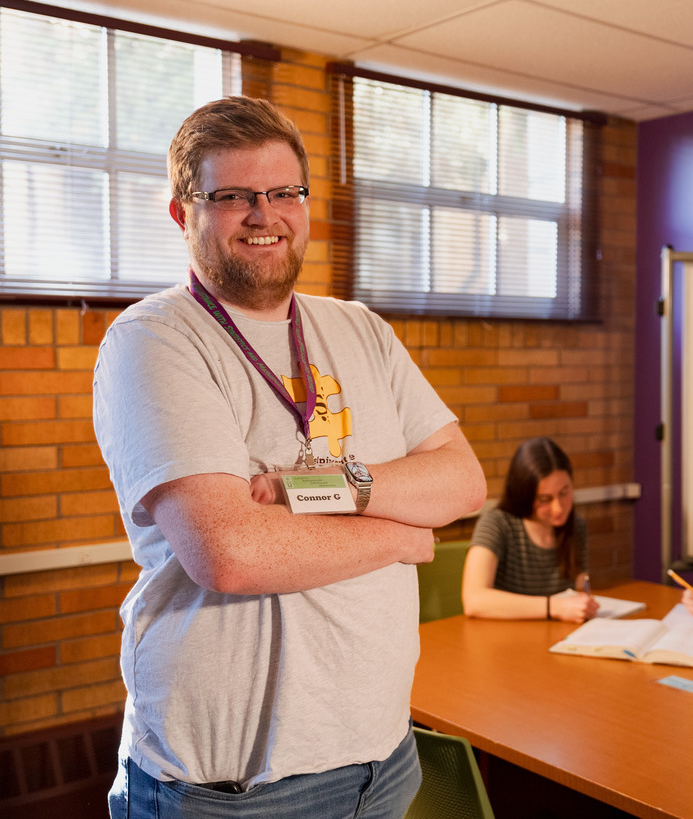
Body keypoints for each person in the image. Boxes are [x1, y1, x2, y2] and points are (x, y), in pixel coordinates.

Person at [92, 95, 486, 819]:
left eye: (282, 192)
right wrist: (399, 532)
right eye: (232, 195)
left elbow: (462, 481)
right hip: (232, 790)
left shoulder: (360, 328)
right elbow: (231, 551)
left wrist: (336, 483)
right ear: (183, 213)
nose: (263, 214)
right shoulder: (153, 339)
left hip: (383, 757)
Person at [462, 436, 598, 622]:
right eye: (545, 499)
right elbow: (474, 600)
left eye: (564, 492)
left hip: (557, 638)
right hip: (504, 639)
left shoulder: (576, 526)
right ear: (524, 495)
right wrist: (554, 607)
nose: (559, 508)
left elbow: (580, 587)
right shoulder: (498, 524)